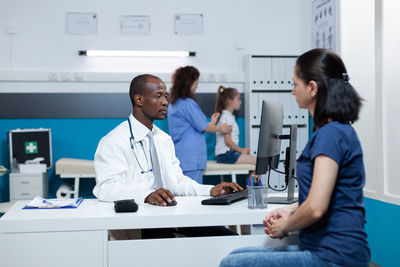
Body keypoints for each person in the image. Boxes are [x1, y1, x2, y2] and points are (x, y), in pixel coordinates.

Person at [219, 49, 370, 266]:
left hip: (335, 255)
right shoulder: (335, 131)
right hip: (324, 248)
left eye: (295, 84)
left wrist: (286, 225)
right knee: (234, 257)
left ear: (312, 88)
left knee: (232, 264)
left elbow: (316, 207)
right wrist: (291, 208)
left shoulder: (330, 134)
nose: (292, 91)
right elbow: (329, 194)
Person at [93, 74, 242, 238]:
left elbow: (178, 182)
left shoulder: (163, 139)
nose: (165, 102)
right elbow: (106, 188)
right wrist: (146, 195)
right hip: (140, 222)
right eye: (158, 96)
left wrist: (211, 190)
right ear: (139, 100)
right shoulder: (114, 141)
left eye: (165, 96)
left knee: (229, 238)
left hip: (171, 216)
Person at [167, 66, 231, 184]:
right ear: (189, 83)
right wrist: (221, 128)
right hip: (191, 158)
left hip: (181, 155)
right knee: (193, 194)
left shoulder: (174, 103)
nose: (197, 86)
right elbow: (204, 127)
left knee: (183, 193)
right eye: (196, 83)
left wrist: (211, 123)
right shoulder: (188, 104)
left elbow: (194, 126)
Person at [214, 86, 256, 165]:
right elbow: (228, 142)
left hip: (225, 155)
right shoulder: (227, 118)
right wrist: (241, 150)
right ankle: (252, 178)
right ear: (230, 102)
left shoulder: (227, 116)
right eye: (238, 99)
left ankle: (252, 178)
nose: (240, 102)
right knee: (259, 163)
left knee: (257, 165)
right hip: (226, 155)